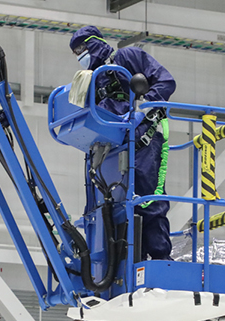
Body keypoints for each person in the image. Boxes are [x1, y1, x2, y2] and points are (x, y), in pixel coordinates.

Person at [69, 26, 176, 260]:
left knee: (147, 199)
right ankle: (131, 260)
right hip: (113, 148)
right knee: (117, 204)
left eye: (82, 48)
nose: (80, 55)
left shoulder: (127, 57)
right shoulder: (93, 80)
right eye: (75, 52)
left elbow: (166, 81)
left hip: (145, 137)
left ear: (94, 42)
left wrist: (143, 108)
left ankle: (160, 259)